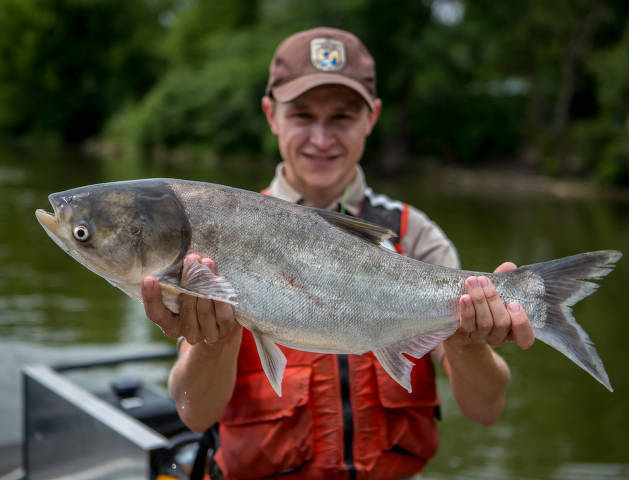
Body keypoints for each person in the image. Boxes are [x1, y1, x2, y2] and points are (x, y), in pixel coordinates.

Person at [142, 27, 535, 480]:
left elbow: (486, 409)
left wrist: (465, 343)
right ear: (271, 115)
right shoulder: (220, 228)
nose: (322, 138)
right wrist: (216, 340)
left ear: (372, 117)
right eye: (303, 115)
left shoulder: (415, 234)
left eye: (343, 117)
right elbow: (194, 414)